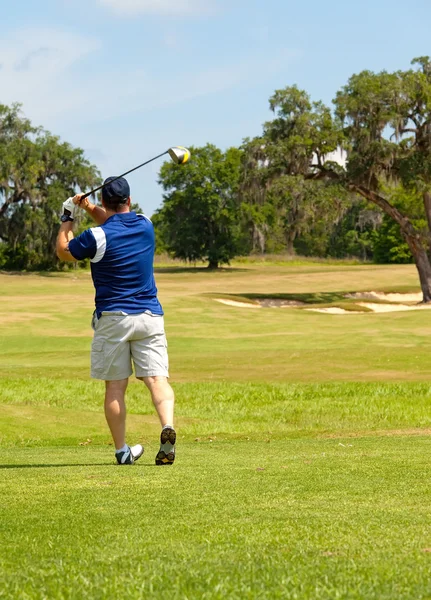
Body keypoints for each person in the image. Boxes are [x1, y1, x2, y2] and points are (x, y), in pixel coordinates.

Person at [56, 176, 176, 466]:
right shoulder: (145, 224)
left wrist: (67, 217)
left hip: (114, 319)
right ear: (130, 201)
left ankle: (123, 451)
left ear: (105, 202)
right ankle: (166, 427)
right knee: (157, 379)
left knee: (115, 388)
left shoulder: (96, 236)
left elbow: (63, 252)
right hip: (150, 316)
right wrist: (86, 205)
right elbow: (113, 218)